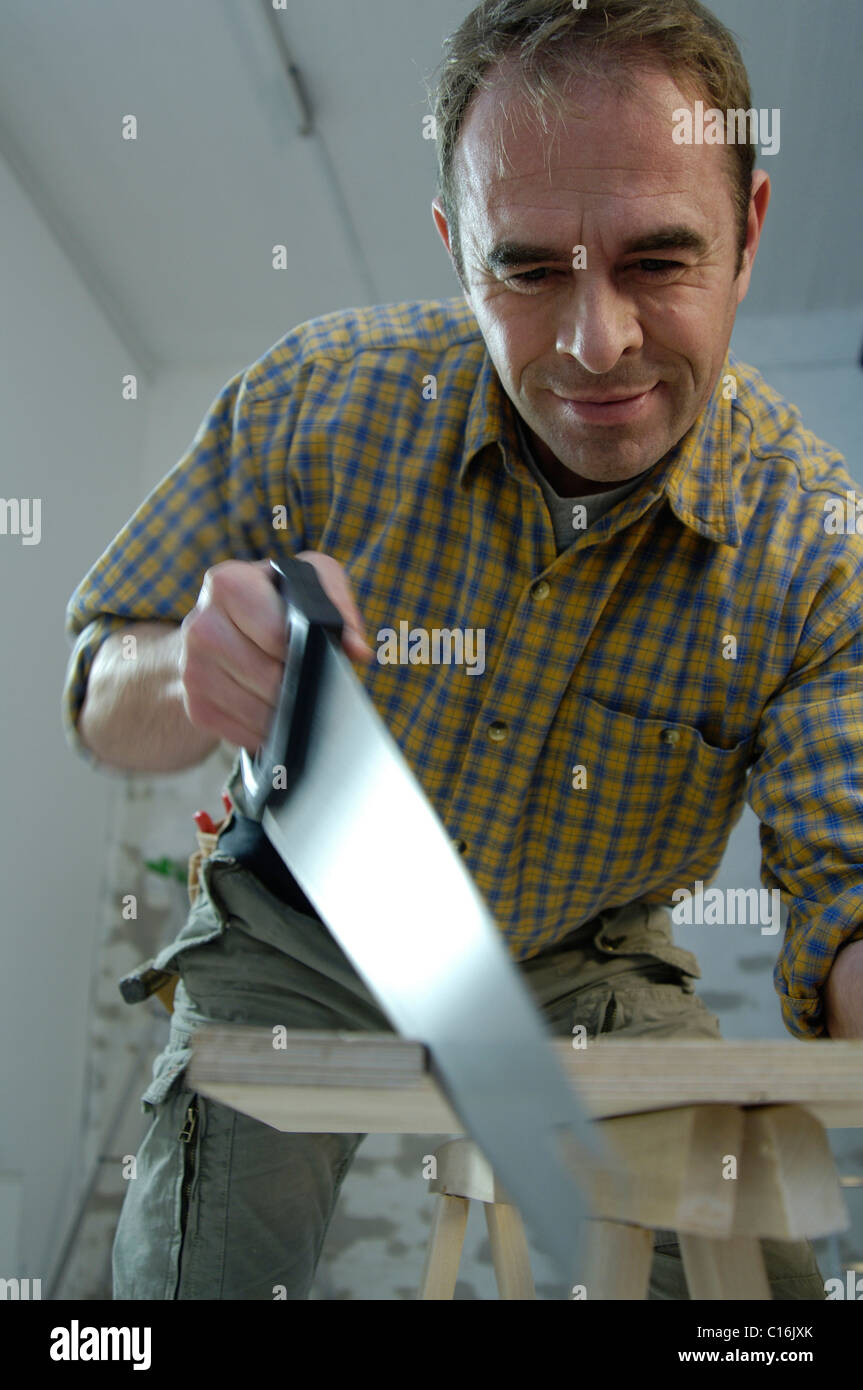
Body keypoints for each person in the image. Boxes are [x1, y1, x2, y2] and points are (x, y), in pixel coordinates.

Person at [63, 0, 862, 1300]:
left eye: (659, 261)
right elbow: (103, 681)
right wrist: (182, 668)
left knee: (745, 1293)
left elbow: (851, 888)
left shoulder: (815, 543)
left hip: (590, 954)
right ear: (454, 249)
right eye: (529, 268)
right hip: (295, 925)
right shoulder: (314, 401)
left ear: (751, 234)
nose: (596, 343)